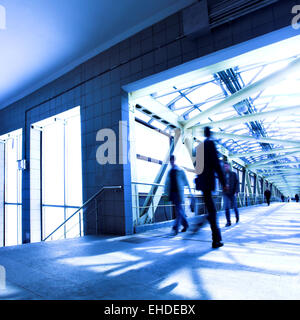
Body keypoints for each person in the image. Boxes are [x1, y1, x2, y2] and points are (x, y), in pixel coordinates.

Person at [195, 126, 226, 249]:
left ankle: (205, 225)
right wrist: (224, 183)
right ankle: (216, 240)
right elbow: (217, 165)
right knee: (212, 211)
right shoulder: (210, 145)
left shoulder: (199, 147)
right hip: (208, 182)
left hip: (203, 184)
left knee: (210, 209)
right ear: (210, 134)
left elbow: (197, 167)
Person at [165, 154, 191, 235]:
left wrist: (190, 191)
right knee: (179, 210)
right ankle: (185, 225)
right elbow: (167, 183)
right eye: (170, 161)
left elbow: (186, 181)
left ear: (174, 160)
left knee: (178, 210)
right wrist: (166, 192)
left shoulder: (180, 170)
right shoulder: (170, 172)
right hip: (172, 193)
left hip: (178, 193)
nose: (171, 162)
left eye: (172, 160)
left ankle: (175, 227)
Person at [223, 162, 240, 227]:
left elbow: (237, 183)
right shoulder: (223, 175)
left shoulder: (233, 174)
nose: (225, 168)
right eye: (224, 167)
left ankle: (237, 217)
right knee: (226, 207)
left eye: (226, 166)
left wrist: (236, 192)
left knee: (235, 207)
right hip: (225, 193)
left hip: (232, 193)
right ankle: (228, 222)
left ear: (229, 167)